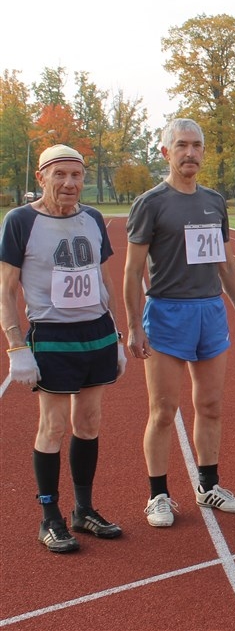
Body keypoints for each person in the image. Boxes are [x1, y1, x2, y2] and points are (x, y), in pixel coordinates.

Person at [124, 118, 235, 527]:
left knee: (211, 406)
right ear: (166, 152)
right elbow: (131, 272)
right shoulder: (151, 203)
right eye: (182, 145)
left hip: (209, 312)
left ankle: (208, 486)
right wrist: (133, 325)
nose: (190, 153)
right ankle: (158, 495)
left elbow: (224, 263)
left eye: (197, 145)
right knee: (163, 410)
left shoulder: (214, 201)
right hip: (167, 312)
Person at [1, 145, 126, 553]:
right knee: (53, 427)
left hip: (98, 334)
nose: (70, 183)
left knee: (89, 422)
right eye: (60, 174)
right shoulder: (20, 221)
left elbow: (104, 282)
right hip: (53, 335)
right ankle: (49, 517)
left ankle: (83, 510)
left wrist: (118, 336)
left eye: (76, 175)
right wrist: (16, 346)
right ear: (41, 177)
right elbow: (5, 290)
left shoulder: (91, 218)